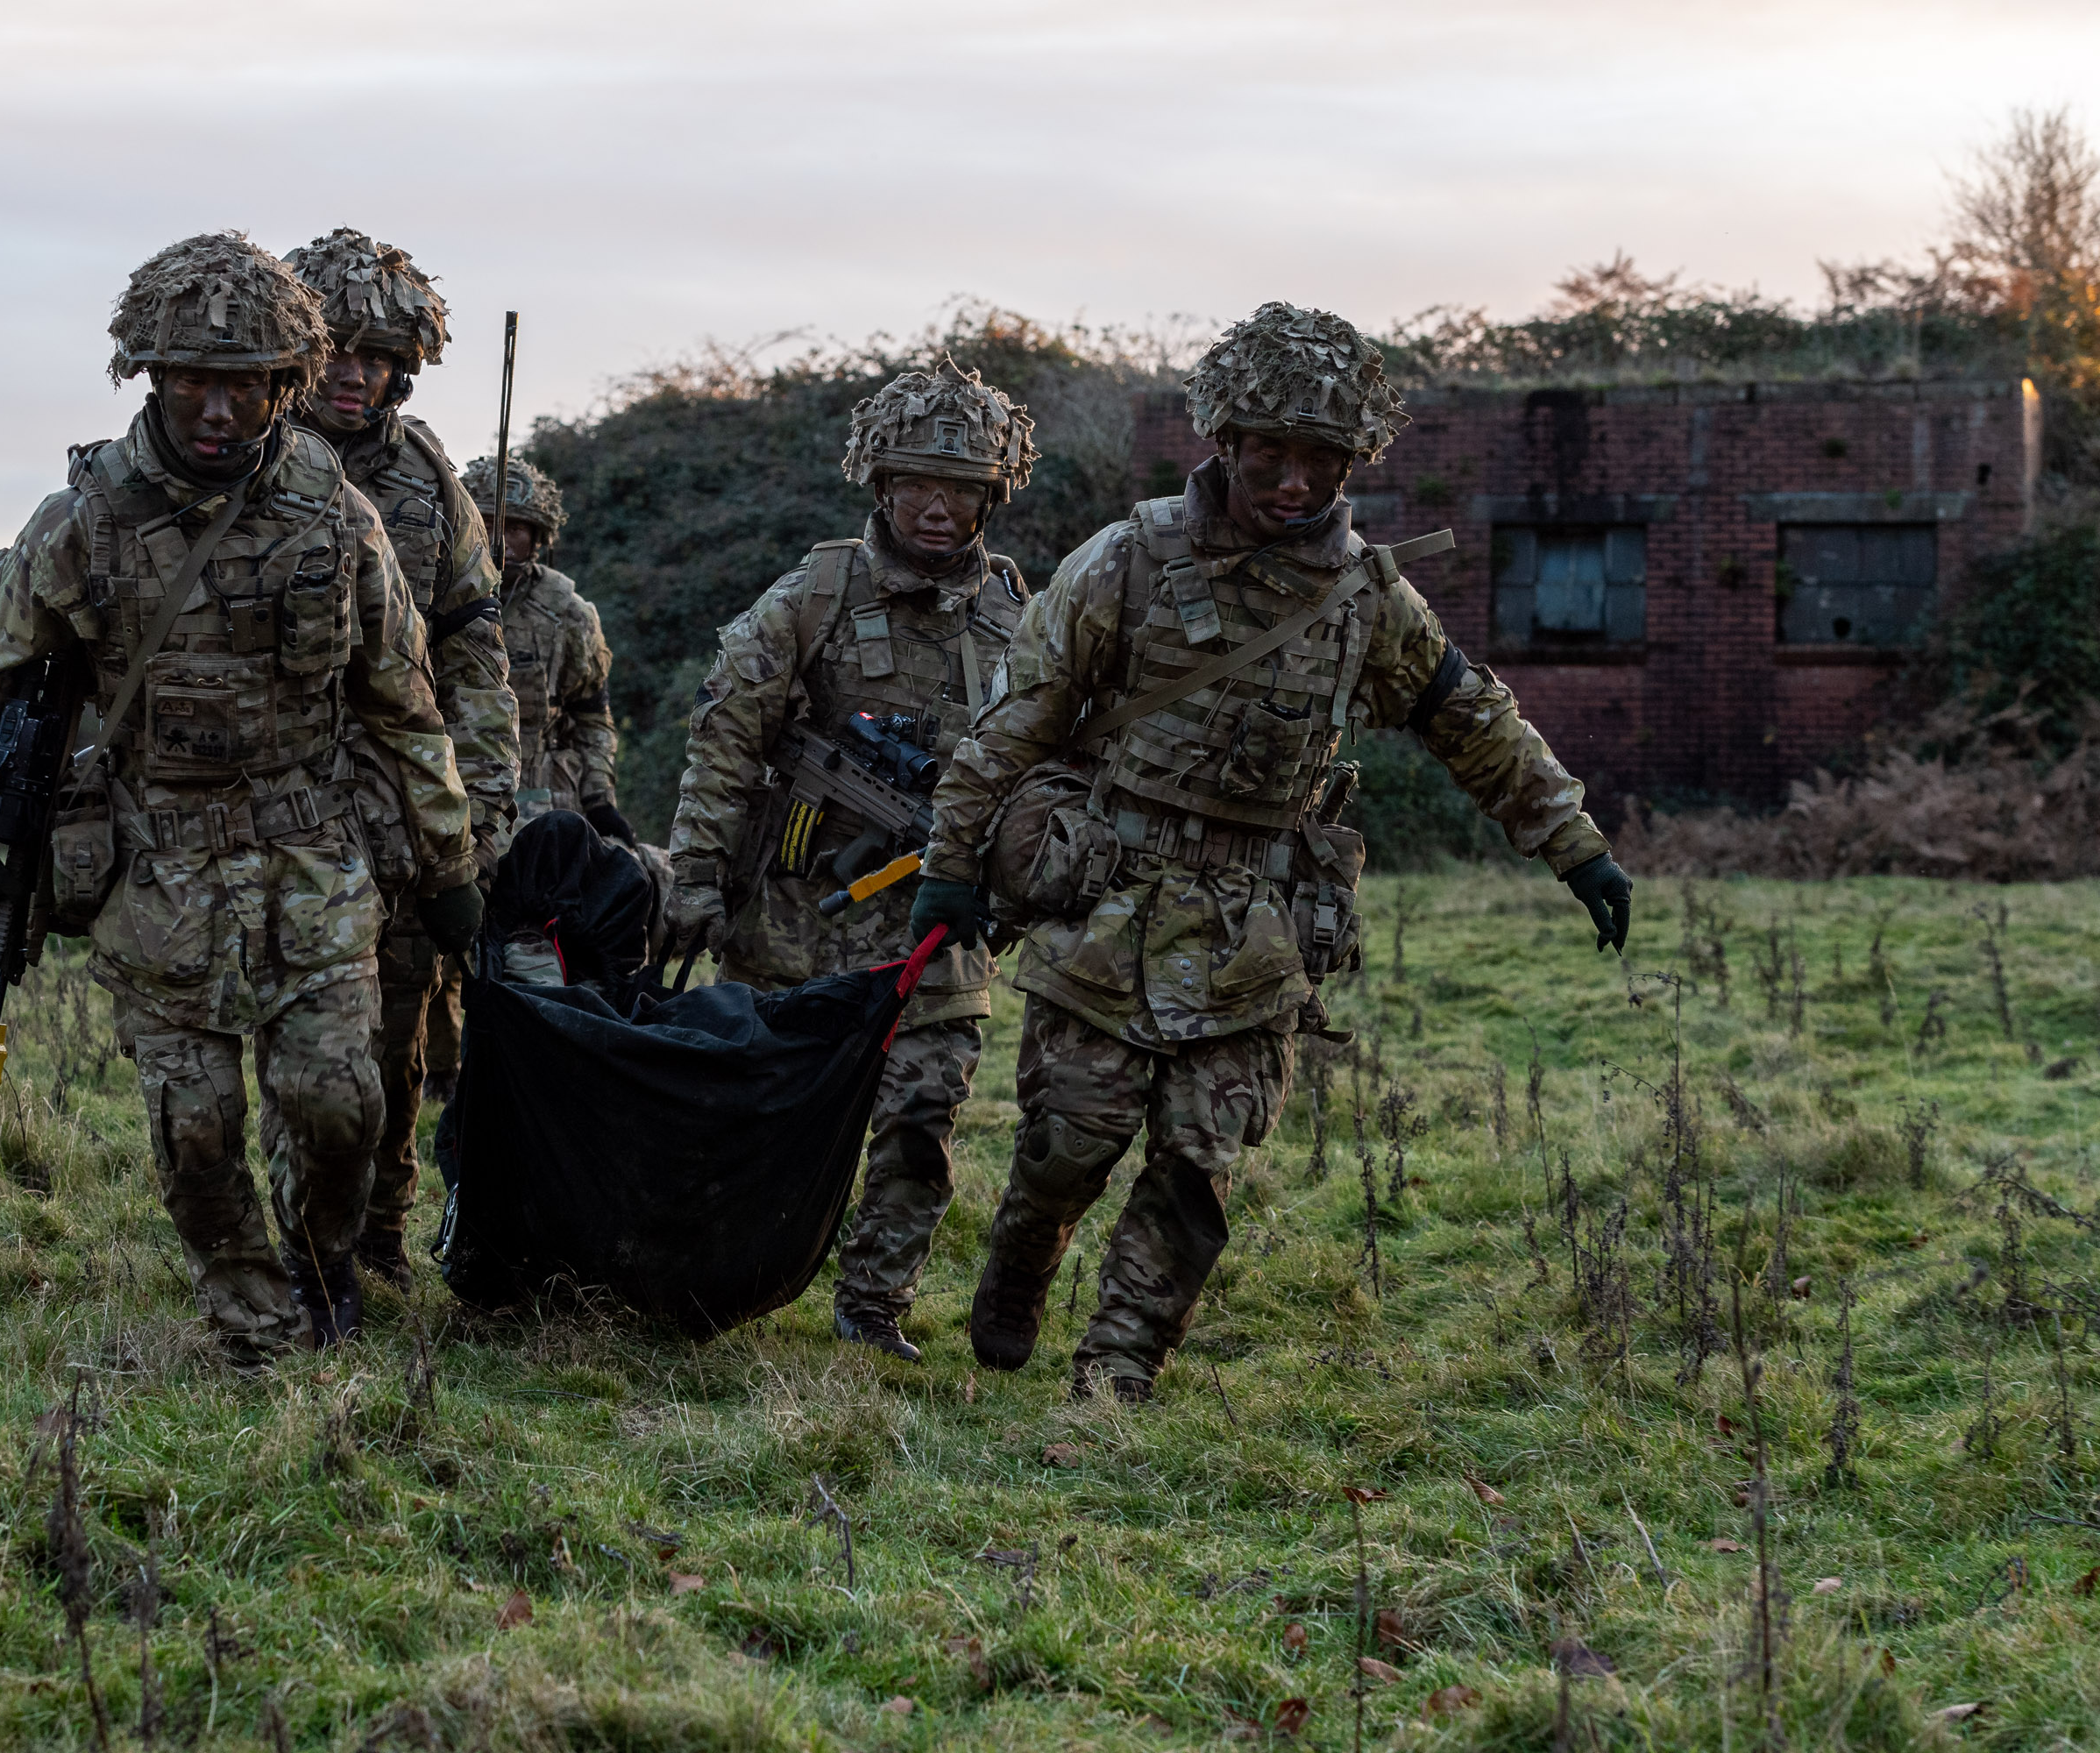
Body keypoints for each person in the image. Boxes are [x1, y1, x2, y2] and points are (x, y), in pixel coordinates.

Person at [910, 302, 1637, 1401]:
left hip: (1257, 921)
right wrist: (950, 868)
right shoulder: (1126, 562)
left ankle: (1120, 1361)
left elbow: (1468, 716)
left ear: (1351, 464)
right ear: (1228, 444)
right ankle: (1023, 1257)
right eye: (1272, 454)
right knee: (1068, 1146)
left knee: (1202, 1161)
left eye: (1321, 460)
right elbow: (1012, 725)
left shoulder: (1368, 600)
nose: (1294, 482)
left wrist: (1573, 844)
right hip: (1108, 895)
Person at [0, 232, 479, 1364]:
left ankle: (325, 1276)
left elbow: (404, 703)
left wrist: (452, 862)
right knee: (198, 1124)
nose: (216, 409)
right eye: (191, 380)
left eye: (244, 384)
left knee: (339, 1101)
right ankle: (248, 1310)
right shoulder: (83, 521)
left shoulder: (338, 517)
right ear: (152, 377)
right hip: (157, 865)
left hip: (312, 852)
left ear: (284, 387)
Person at [664, 355, 1037, 1362]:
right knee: (761, 1113)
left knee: (923, 1113)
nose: (936, 506)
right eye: (916, 482)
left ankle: (873, 1305)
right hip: (796, 917)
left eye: (959, 488)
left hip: (937, 920)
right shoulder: (813, 593)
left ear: (990, 495)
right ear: (878, 481)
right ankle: (715, 1278)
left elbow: (1051, 763)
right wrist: (695, 876)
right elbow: (727, 737)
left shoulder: (1017, 620)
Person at [281, 227, 518, 1293]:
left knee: (391, 1031)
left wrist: (484, 811)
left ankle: (377, 1228)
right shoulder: (243, 453)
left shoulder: (431, 481)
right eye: (338, 350)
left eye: (377, 357)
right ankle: (293, 1233)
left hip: (400, 804)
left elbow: (477, 656)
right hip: (269, 798)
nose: (355, 373)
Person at [461, 454, 627, 843]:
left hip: (540, 797)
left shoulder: (568, 613)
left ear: (538, 536)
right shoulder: (427, 596)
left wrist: (600, 799)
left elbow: (592, 717)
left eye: (515, 527)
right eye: (485, 524)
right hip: (447, 789)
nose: (498, 539)